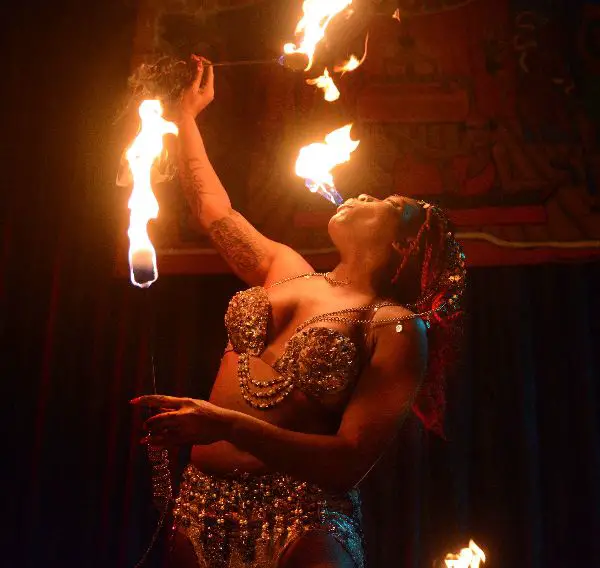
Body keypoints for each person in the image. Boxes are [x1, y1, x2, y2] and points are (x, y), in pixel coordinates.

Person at [131, 56, 466, 568]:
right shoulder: (287, 268)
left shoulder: (394, 326)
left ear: (404, 244)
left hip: (302, 520)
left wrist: (225, 424)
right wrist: (184, 119)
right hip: (199, 507)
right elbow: (214, 211)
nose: (359, 194)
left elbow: (350, 459)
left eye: (384, 200)